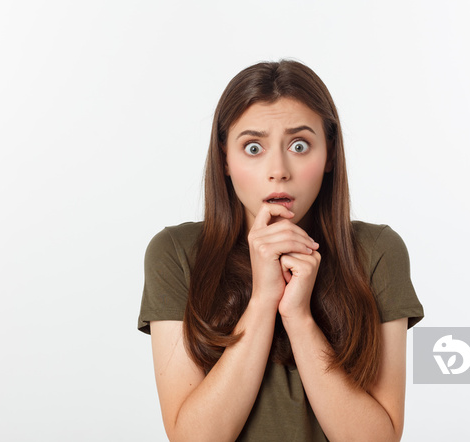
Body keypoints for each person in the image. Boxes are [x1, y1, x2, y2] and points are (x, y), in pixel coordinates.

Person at [138, 59, 424, 442]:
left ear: (330, 155)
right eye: (253, 147)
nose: (278, 170)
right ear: (225, 158)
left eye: (300, 145)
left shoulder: (376, 252)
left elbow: (377, 439)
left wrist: (298, 317)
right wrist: (263, 299)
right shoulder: (176, 254)